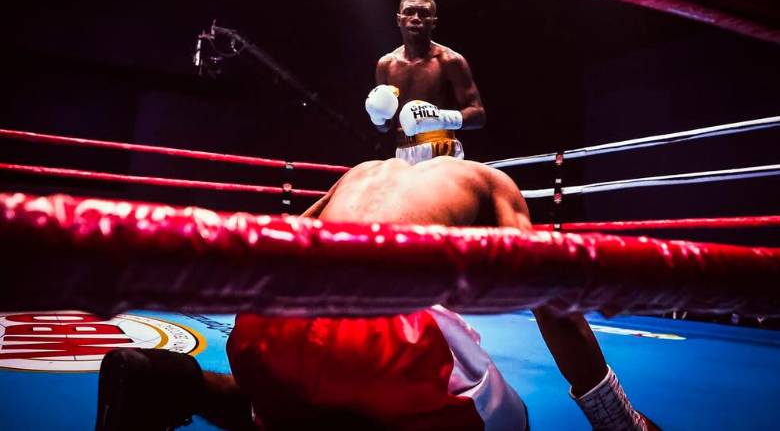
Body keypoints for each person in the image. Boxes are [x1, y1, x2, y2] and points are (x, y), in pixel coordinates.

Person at [96, 157, 657, 430]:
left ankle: (171, 382)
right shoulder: (492, 182)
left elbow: (280, 240)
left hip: (273, 317)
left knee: (293, 404)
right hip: (385, 334)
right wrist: (620, 422)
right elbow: (552, 302)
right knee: (511, 423)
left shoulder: (361, 173)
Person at [365, 0, 486, 164]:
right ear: (399, 20)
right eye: (409, 12)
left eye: (423, 14)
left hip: (443, 150)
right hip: (403, 153)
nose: (415, 18)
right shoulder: (386, 65)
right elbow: (384, 127)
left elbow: (478, 115)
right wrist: (377, 116)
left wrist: (437, 118)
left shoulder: (450, 61)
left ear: (433, 23)